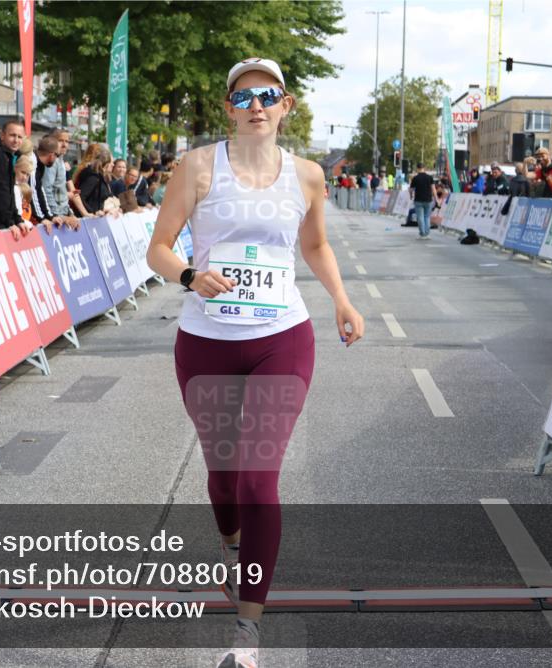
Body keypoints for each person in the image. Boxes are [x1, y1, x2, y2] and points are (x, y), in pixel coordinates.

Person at [146, 57, 364, 668]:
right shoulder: (196, 168)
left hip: (281, 337)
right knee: (222, 479)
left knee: (257, 478)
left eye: (268, 96)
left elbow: (315, 244)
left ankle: (247, 635)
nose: (257, 106)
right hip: (206, 341)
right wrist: (190, 274)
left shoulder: (309, 176)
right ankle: (231, 546)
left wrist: (342, 300)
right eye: (244, 98)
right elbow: (157, 249)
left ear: (286, 105)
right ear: (228, 109)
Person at [72, 144, 115, 216]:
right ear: (106, 164)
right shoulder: (93, 177)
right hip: (88, 219)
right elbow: (80, 197)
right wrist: (92, 212)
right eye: (111, 162)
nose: (113, 165)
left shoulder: (99, 177)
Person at [409, 164, 436, 239]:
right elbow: (433, 189)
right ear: (424, 168)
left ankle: (422, 233)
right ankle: (427, 234)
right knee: (427, 217)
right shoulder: (430, 177)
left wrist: (411, 195)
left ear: (417, 169)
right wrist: (436, 199)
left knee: (420, 217)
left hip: (418, 200)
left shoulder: (415, 178)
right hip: (428, 200)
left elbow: (411, 189)